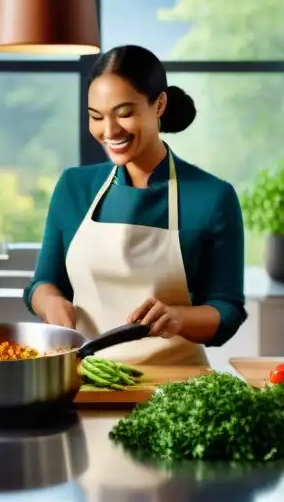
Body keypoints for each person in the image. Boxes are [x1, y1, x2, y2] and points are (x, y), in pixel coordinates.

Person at [25, 45, 247, 366]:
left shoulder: (212, 196)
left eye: (124, 113)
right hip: (86, 379)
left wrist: (179, 318)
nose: (109, 131)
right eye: (96, 117)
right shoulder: (74, 187)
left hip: (176, 386)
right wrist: (52, 305)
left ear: (159, 105)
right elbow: (43, 284)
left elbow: (226, 310)